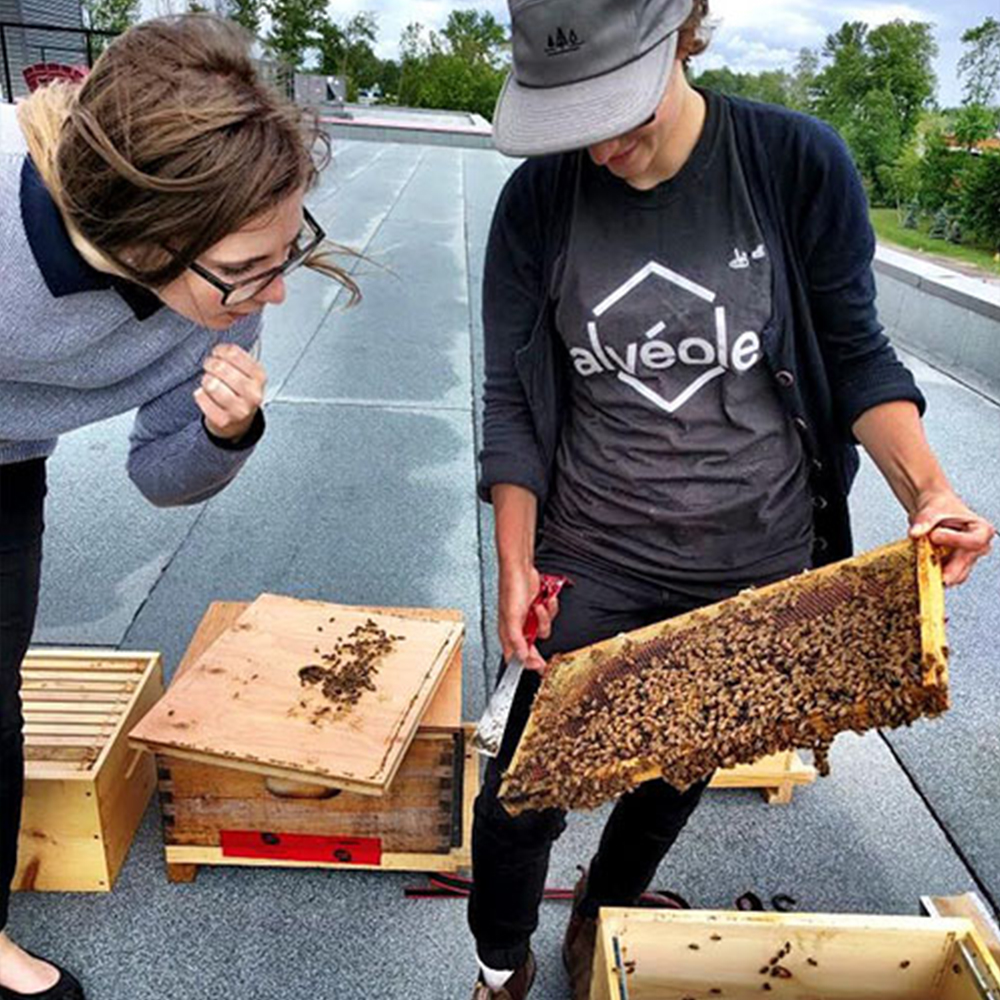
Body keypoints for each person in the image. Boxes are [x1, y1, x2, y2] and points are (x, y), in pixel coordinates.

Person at [469, 1, 996, 998]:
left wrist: (929, 488)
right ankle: (501, 965)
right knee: (518, 796)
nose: (599, 143)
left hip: (755, 555)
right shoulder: (538, 205)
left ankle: (602, 913)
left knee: (679, 759)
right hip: (590, 552)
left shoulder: (794, 163)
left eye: (615, 107)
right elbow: (511, 402)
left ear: (682, 32)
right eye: (570, 117)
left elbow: (854, 356)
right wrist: (514, 561)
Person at [0, 16, 357, 999]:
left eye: (288, 251)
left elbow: (160, 475)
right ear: (143, 237)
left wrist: (224, 432)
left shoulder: (227, 293)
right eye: (249, 268)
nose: (276, 293)